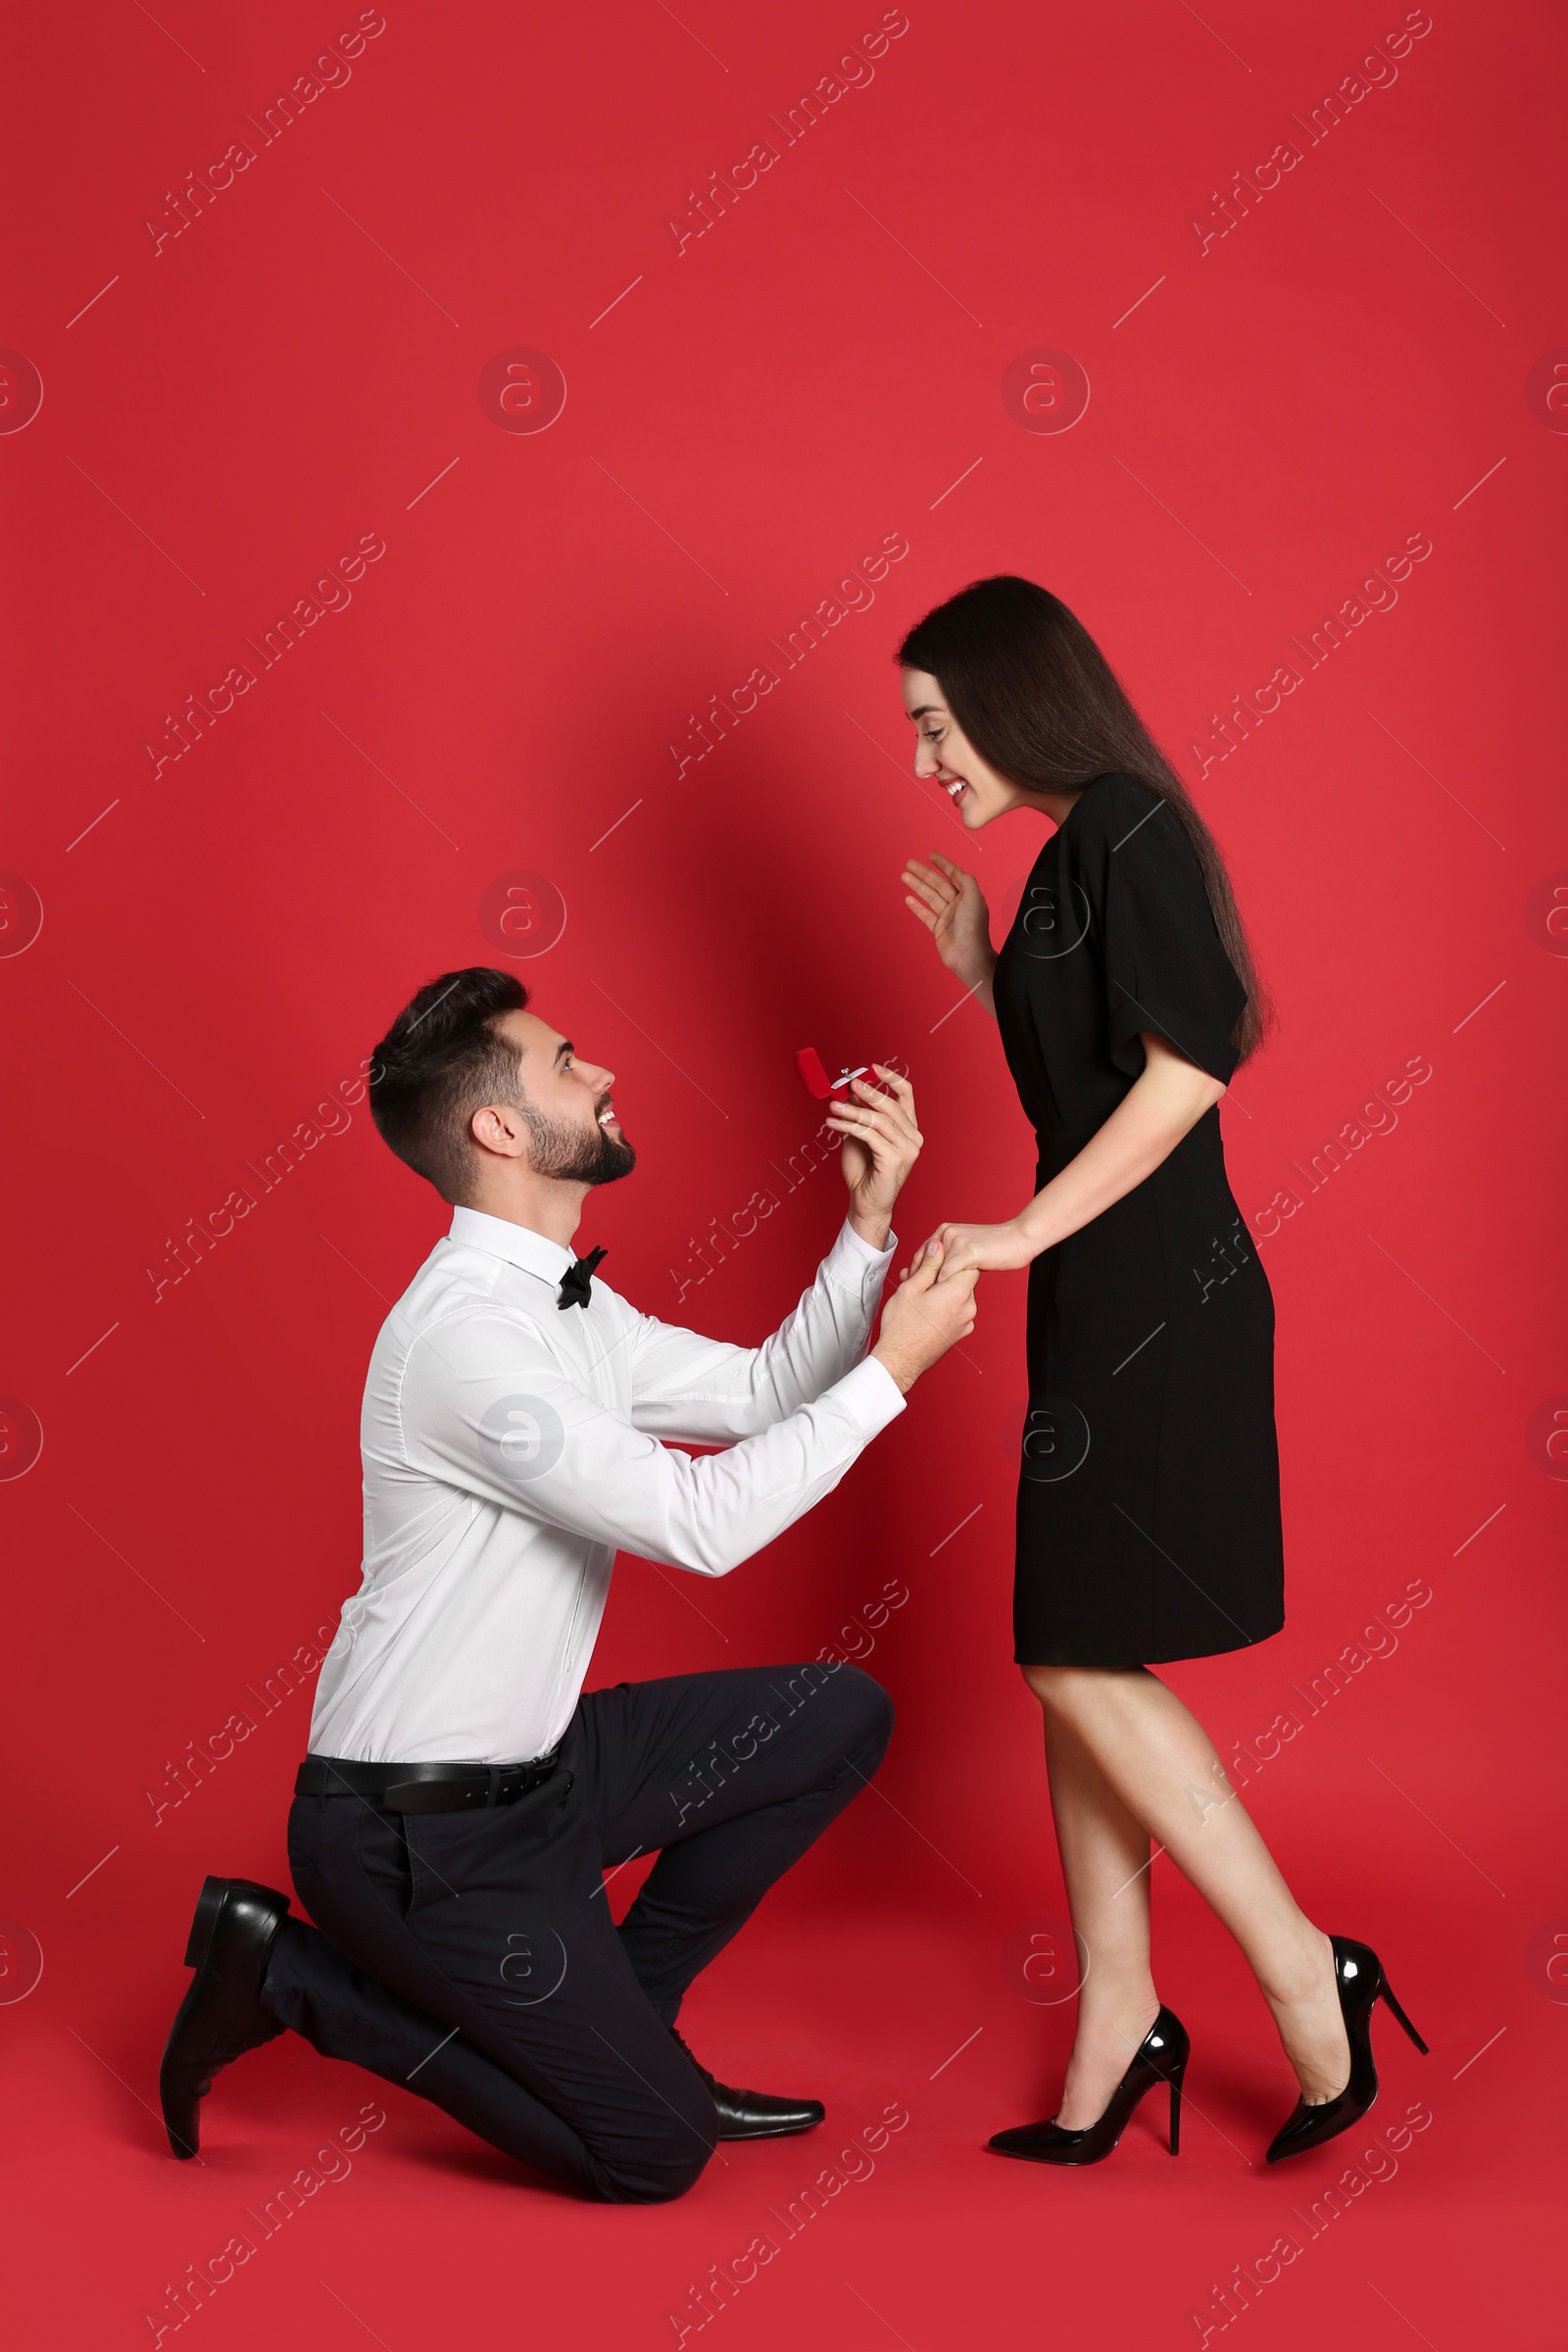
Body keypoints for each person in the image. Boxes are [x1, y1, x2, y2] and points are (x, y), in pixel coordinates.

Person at [158, 967, 977, 2202]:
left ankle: (628, 2021)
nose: (601, 1075)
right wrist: (895, 1372)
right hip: (412, 1833)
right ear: (497, 1130)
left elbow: (759, 1396)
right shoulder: (466, 1341)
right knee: (652, 2154)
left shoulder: (563, 1305)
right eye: (566, 1062)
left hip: (539, 1776)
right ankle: (285, 1974)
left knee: (838, 1716)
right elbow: (702, 1525)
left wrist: (866, 1231)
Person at [894, 576, 1426, 2167]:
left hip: (1159, 1300)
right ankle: (1119, 2009)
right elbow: (1083, 1085)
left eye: (935, 726)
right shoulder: (1069, 858)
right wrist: (989, 970)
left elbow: (1189, 1072)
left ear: (1012, 697)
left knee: (1072, 1659)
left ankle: (1303, 1968)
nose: (924, 763)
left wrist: (1004, 1235)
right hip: (1094, 1289)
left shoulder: (1128, 826)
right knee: (1075, 1645)